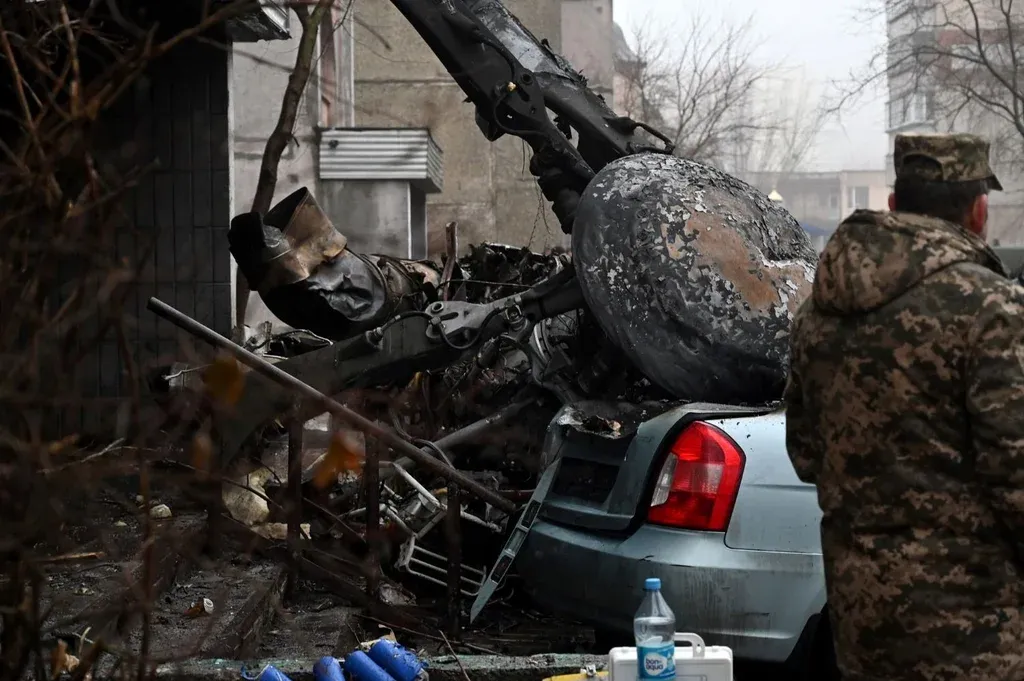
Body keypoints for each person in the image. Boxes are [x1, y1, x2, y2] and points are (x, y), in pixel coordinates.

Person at [785, 132, 1024, 681]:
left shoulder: (817, 314)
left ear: (894, 204)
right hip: (977, 632)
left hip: (863, 620)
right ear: (979, 210)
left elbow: (804, 453)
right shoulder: (993, 308)